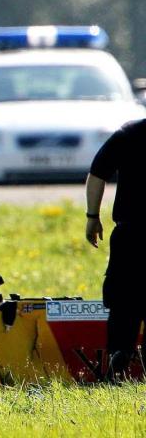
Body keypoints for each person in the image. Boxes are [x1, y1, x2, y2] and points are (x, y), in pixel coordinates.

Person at [85, 118, 146, 379]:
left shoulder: (128, 133)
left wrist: (92, 216)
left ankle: (118, 357)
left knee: (123, 301)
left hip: (131, 233)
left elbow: (97, 174)